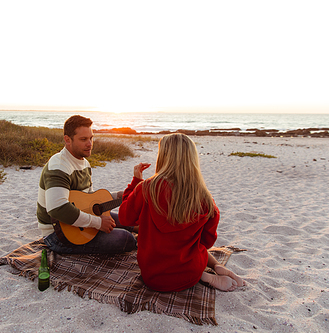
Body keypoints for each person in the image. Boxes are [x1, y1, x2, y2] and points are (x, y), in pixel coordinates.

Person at [118, 133, 246, 292]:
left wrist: (135, 183)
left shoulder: (146, 187)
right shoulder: (204, 197)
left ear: (163, 157)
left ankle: (206, 274)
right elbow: (207, 242)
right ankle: (211, 270)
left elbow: (124, 218)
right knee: (195, 245)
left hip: (152, 276)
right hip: (190, 273)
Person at [37, 115, 137, 254]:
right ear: (67, 140)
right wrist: (98, 223)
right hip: (58, 234)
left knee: (133, 221)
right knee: (126, 239)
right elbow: (57, 208)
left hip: (81, 219)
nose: (89, 143)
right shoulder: (59, 166)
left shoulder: (84, 163)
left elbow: (88, 199)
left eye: (91, 138)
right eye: (83, 139)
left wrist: (118, 196)